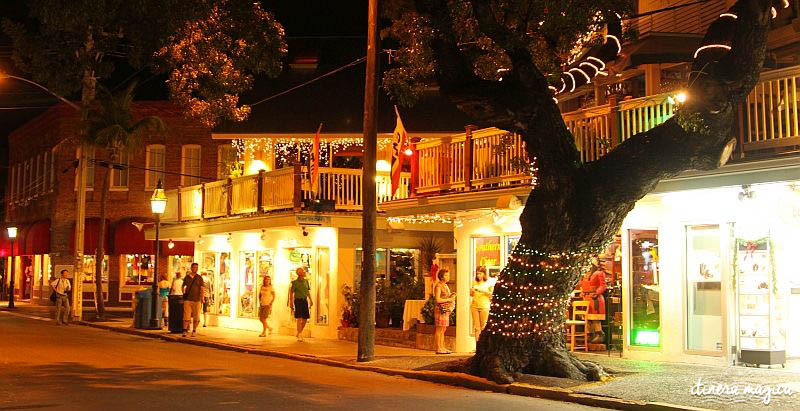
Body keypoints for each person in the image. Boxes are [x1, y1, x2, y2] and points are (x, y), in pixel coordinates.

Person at [579, 257, 607, 344]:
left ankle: (599, 334)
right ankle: (589, 334)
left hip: (595, 299)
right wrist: (582, 292)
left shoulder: (599, 273)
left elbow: (603, 285)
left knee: (595, 318)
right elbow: (582, 284)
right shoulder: (585, 274)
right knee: (587, 318)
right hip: (586, 299)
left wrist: (597, 292)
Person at [433, 268, 456, 354]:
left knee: (443, 329)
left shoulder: (445, 285)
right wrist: (449, 299)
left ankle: (442, 347)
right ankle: (438, 348)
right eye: (446, 275)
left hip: (446, 309)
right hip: (440, 309)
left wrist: (451, 296)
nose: (448, 277)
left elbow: (445, 297)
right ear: (441, 276)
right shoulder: (438, 286)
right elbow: (438, 299)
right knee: (439, 329)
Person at [288, 267, 313, 342]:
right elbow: (291, 293)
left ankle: (299, 332)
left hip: (304, 300)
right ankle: (300, 334)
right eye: (302, 271)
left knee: (305, 318)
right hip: (298, 300)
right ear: (299, 273)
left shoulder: (306, 281)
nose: (304, 272)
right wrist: (291, 302)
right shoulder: (295, 282)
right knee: (299, 317)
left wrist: (310, 300)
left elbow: (307, 291)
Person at [470, 266, 493, 343]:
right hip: (474, 306)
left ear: (484, 274)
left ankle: (484, 345)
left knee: (484, 326)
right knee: (476, 327)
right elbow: (471, 294)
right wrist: (472, 291)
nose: (478, 276)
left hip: (484, 306)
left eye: (480, 274)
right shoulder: (474, 282)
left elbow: (491, 295)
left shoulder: (489, 283)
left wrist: (482, 291)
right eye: (477, 274)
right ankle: (478, 345)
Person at [181, 263, 204, 337]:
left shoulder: (199, 278)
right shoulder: (187, 277)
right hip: (188, 299)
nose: (196, 269)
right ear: (191, 268)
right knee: (186, 316)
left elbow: (202, 288)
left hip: (197, 300)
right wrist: (184, 293)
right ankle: (184, 330)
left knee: (196, 316)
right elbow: (183, 286)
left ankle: (194, 330)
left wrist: (202, 298)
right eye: (194, 267)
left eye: (197, 267)